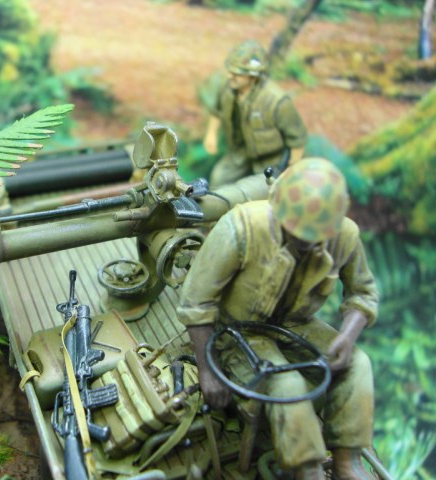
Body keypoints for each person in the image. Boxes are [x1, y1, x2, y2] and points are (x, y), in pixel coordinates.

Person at [177, 158, 379, 479]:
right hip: (237, 332)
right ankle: (307, 469)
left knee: (358, 363)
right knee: (286, 384)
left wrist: (347, 336)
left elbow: (363, 294)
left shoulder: (344, 236)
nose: (306, 242)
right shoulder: (241, 228)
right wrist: (207, 369)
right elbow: (196, 301)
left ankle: (346, 460)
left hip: (298, 326)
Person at [203, 40, 307, 188]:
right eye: (230, 71)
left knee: (263, 190)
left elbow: (297, 139)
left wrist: (291, 169)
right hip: (238, 154)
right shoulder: (228, 90)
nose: (230, 76)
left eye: (237, 73)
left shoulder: (276, 101)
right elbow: (216, 111)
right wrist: (211, 134)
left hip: (269, 160)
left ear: (253, 76)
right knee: (219, 180)